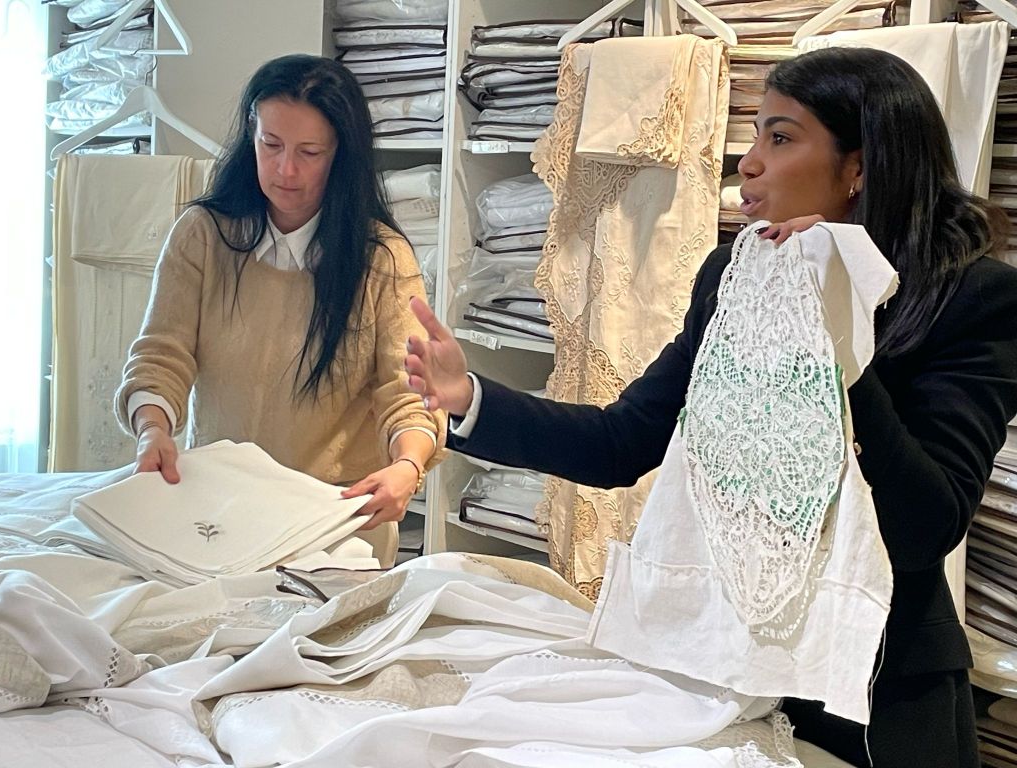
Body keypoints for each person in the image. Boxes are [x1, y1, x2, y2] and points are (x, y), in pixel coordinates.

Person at [403, 47, 1017, 767]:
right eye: (754, 136)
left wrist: (835, 338)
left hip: (876, 690)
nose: (748, 163)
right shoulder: (735, 273)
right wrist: (469, 398)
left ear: (859, 166)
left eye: (780, 138)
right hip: (722, 662)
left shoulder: (974, 299)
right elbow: (623, 441)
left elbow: (926, 527)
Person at [115, 55, 445, 565]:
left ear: (341, 156)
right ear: (251, 135)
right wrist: (153, 429)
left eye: (309, 152)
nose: (285, 170)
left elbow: (408, 391)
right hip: (218, 514)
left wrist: (408, 466)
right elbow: (162, 355)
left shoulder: (381, 258)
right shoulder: (203, 235)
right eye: (271, 145)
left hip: (336, 521)